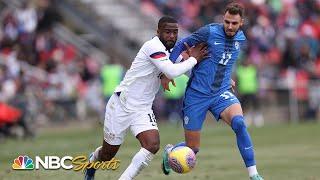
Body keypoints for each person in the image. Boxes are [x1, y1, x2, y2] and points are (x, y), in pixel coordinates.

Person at [84, 16, 208, 180]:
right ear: (158, 32)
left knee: (152, 145)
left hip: (142, 108)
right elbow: (171, 71)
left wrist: (220, 79)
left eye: (175, 32)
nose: (172, 36)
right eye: (167, 32)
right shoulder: (153, 46)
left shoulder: (172, 51)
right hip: (121, 104)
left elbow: (186, 70)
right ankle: (92, 163)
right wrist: (193, 59)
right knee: (107, 155)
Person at [161, 3, 264, 180]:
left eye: (234, 23)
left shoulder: (241, 39)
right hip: (196, 96)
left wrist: (227, 77)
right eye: (227, 22)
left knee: (239, 123)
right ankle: (171, 152)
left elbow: (226, 60)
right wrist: (167, 71)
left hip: (220, 93)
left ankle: (254, 175)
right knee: (193, 149)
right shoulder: (208, 32)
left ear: (241, 23)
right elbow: (181, 45)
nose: (229, 26)